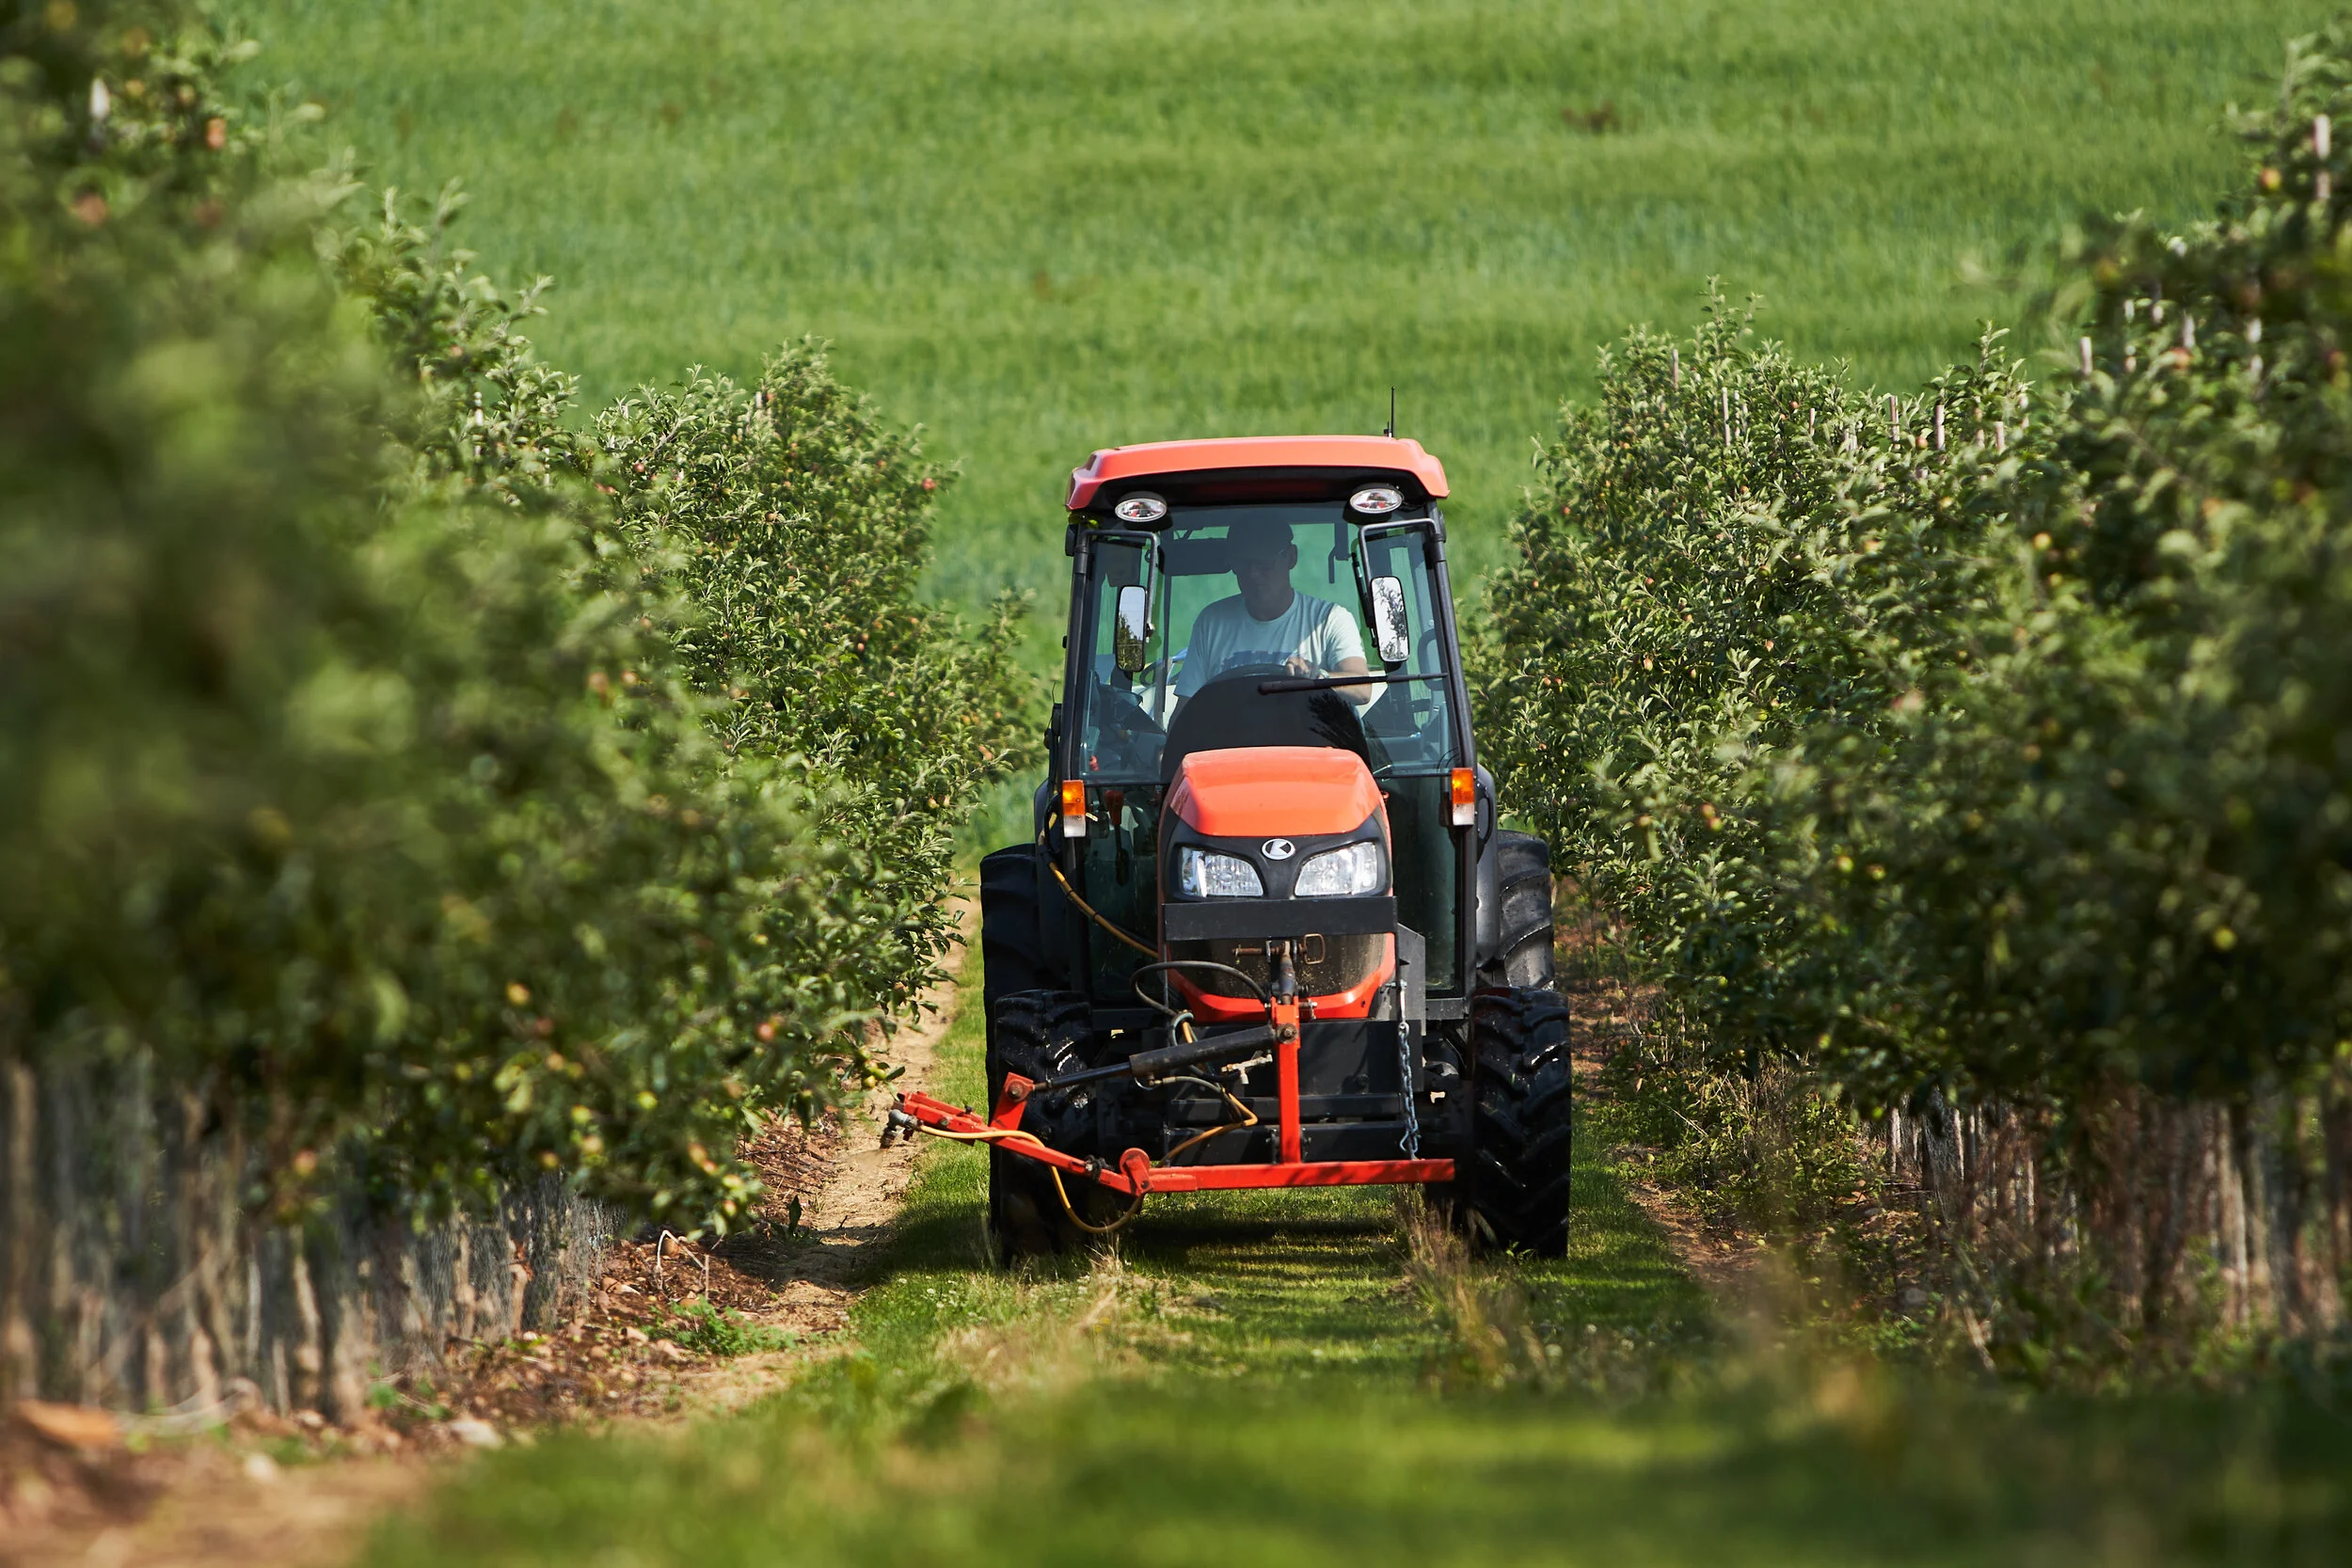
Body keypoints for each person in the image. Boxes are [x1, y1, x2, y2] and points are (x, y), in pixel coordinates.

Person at [1170, 519, 1376, 718]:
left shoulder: (1330, 619)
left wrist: (1317, 677)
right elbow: (1184, 713)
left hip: (1309, 748)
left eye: (1264, 563)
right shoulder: (1211, 623)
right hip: (1231, 749)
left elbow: (1361, 688)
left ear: (1291, 557)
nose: (1253, 574)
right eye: (1243, 565)